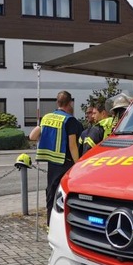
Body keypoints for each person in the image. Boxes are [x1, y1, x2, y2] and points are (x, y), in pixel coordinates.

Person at [28, 91, 82, 225]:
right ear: (70, 103)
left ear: (57, 103)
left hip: (52, 162)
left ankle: (49, 223)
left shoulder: (46, 117)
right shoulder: (70, 120)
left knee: (51, 192)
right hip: (66, 162)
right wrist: (78, 165)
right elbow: (72, 146)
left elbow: (32, 137)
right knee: (65, 194)